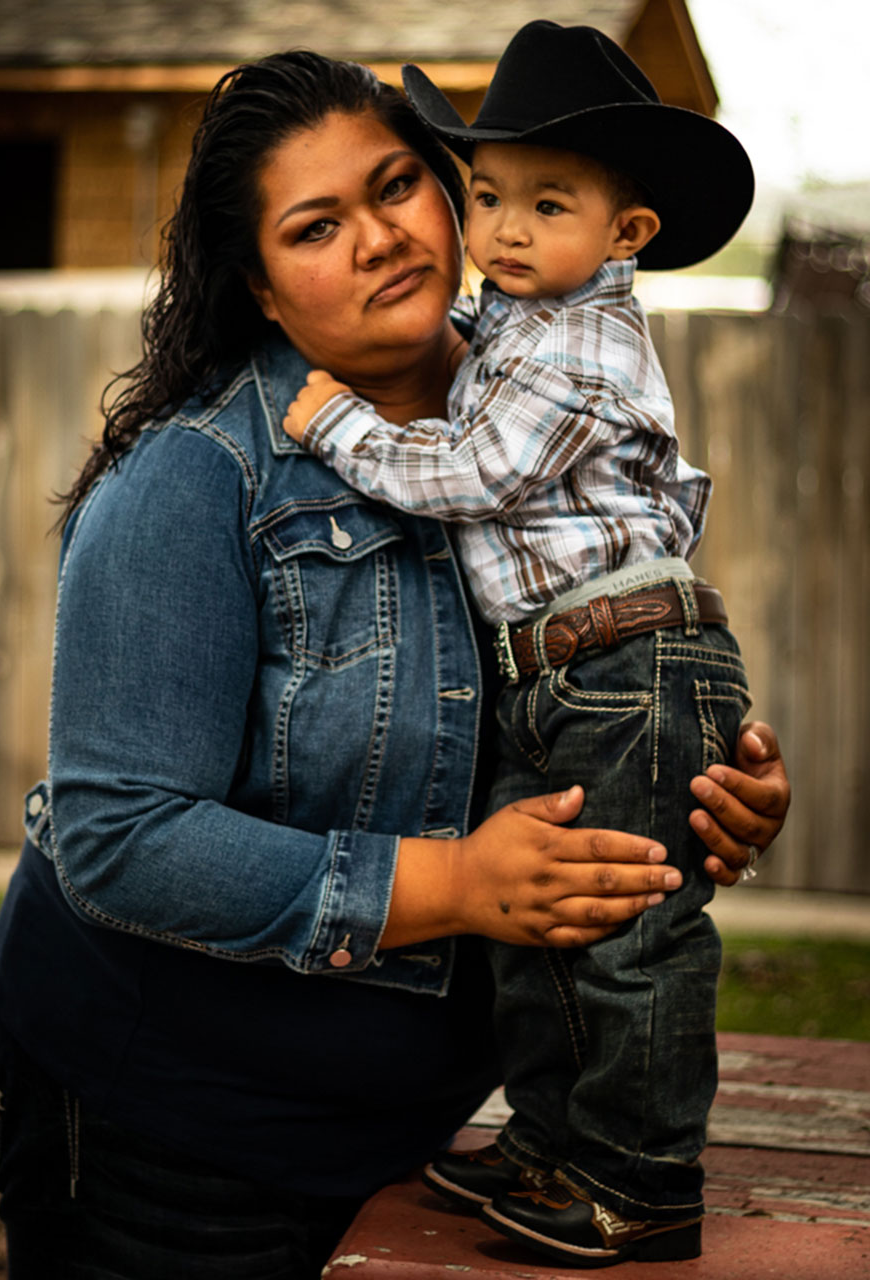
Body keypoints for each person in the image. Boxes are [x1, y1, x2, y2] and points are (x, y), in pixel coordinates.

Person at [0, 49, 790, 1280]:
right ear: (257, 284)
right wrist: (455, 884)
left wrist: (680, 790)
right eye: (316, 225)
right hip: (174, 1142)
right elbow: (122, 834)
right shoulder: (198, 484)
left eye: (397, 184)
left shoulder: (542, 398)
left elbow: (562, 713)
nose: (377, 238)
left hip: (446, 1146)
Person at [280, 22, 757, 1268]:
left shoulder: (580, 343)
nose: (500, 229)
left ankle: (638, 1175)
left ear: (626, 234)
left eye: (546, 204)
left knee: (626, 922)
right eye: (484, 194)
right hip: (567, 663)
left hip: (624, 657)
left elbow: (475, 473)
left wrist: (337, 429)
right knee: (540, 917)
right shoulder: (515, 323)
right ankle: (553, 1136)